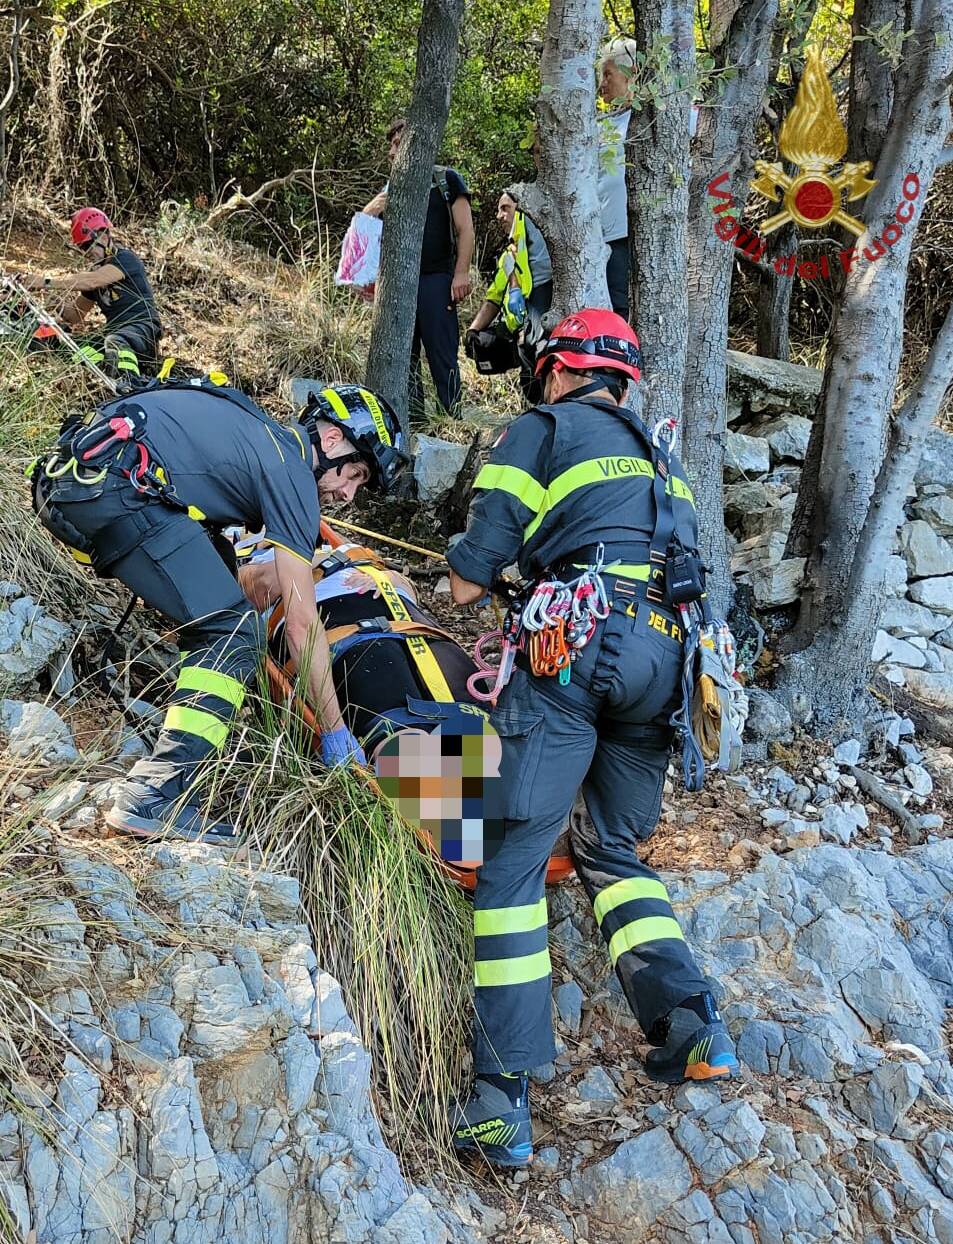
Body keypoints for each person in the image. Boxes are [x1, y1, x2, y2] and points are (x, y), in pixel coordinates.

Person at [446, 308, 739, 1168]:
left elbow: (466, 585)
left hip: (579, 648)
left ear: (555, 368)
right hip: (672, 663)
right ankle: (688, 1022)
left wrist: (474, 569)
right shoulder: (660, 455)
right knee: (612, 847)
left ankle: (499, 1097)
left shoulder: (540, 428)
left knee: (512, 856)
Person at [31, 381, 409, 843]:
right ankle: (156, 793)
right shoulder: (290, 472)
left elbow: (238, 586)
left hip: (77, 485)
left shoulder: (256, 437)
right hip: (119, 494)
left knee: (224, 616)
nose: (348, 495)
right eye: (354, 474)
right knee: (233, 635)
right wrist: (334, 731)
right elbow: (302, 625)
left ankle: (173, 761)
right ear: (331, 440)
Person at [240, 539, 479, 747]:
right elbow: (252, 588)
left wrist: (389, 578)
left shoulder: (293, 550)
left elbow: (409, 588)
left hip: (391, 618)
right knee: (403, 730)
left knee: (445, 728)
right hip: (371, 628)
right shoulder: (258, 559)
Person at [363, 119, 475, 420]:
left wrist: (461, 273)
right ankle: (414, 422)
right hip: (397, 286)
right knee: (403, 358)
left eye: (397, 144)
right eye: (390, 146)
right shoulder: (390, 191)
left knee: (442, 354)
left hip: (437, 281)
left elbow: (466, 229)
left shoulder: (446, 180)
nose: (391, 152)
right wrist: (371, 210)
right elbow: (365, 237)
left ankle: (452, 421)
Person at [10, 208, 162, 380]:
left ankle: (131, 384)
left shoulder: (125, 259)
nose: (87, 251)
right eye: (83, 247)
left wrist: (45, 282)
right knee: (75, 348)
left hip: (142, 329)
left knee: (115, 342)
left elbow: (93, 281)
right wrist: (58, 305)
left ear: (104, 234)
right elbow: (76, 315)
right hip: (114, 332)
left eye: (89, 244)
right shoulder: (95, 273)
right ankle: (105, 376)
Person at [466, 192, 552, 399]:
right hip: (520, 336)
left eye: (506, 208)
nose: (499, 215)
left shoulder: (533, 235)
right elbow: (492, 299)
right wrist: (472, 331)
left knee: (537, 351)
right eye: (498, 209)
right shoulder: (507, 257)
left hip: (540, 312)